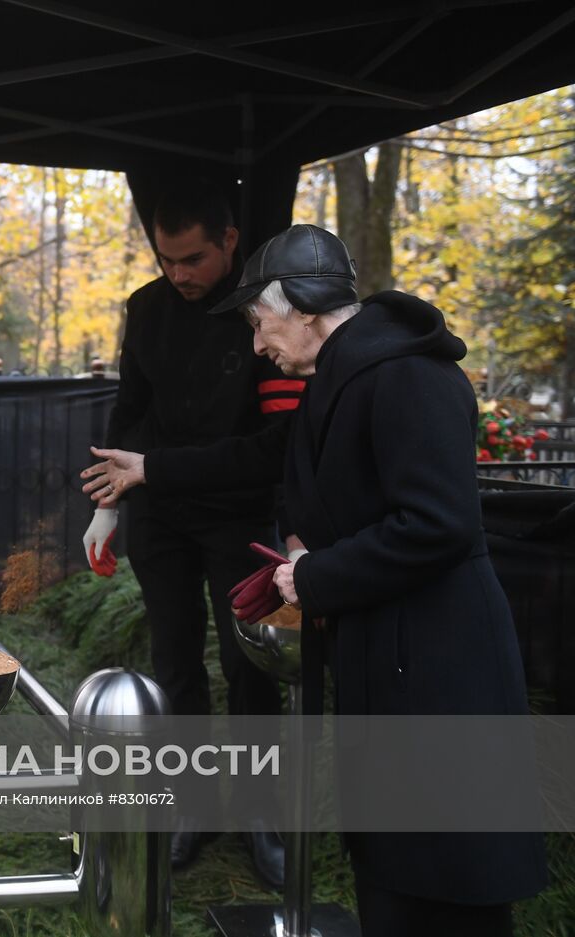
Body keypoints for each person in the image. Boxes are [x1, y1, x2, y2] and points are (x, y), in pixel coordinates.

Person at [82, 224, 546, 935]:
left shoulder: (409, 374)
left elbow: (441, 524)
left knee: (451, 888)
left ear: (302, 307)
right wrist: (157, 472)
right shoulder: (345, 374)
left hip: (443, 672)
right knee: (395, 878)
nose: (257, 343)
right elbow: (273, 458)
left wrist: (318, 571)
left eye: (259, 321)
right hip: (393, 662)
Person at [83, 178, 300, 884]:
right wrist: (108, 504)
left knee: (248, 667)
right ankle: (193, 805)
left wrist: (156, 469)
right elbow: (129, 406)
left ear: (230, 242)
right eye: (166, 258)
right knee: (174, 664)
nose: (178, 274)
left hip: (238, 510)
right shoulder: (146, 308)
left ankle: (262, 809)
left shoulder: (264, 315)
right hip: (159, 514)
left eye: (194, 259)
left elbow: (274, 444)